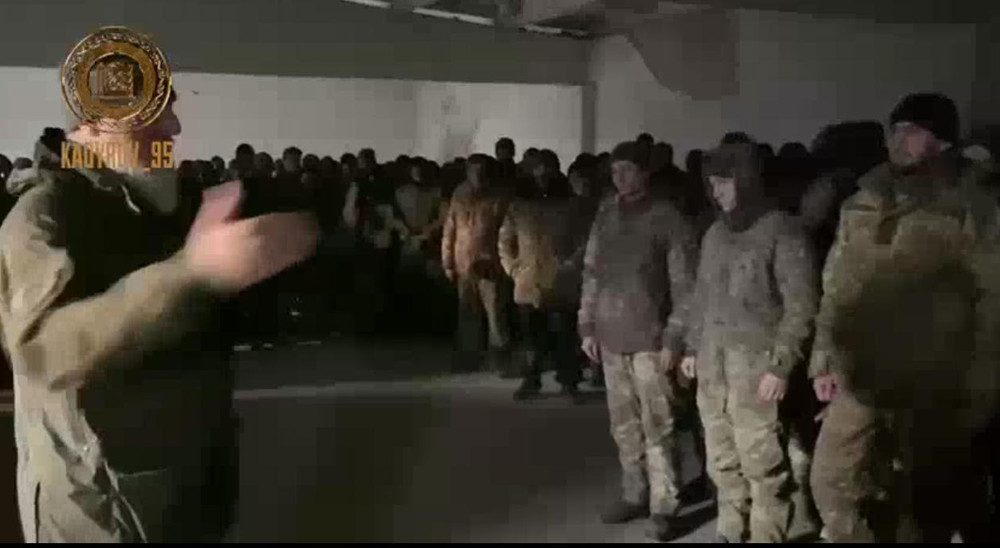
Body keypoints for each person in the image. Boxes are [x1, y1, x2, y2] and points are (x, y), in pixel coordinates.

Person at [0, 91, 319, 542]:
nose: (173, 128)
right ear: (94, 123)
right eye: (150, 115)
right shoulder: (43, 215)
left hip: (184, 486)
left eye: (169, 108)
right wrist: (191, 271)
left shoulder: (163, 202)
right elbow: (42, 351)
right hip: (99, 508)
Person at [809, 93, 1000, 543]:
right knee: (831, 478)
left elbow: (990, 300)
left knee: (925, 497)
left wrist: (978, 389)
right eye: (894, 129)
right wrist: (824, 357)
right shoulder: (864, 200)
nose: (897, 139)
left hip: (933, 377)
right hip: (864, 365)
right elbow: (837, 286)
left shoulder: (972, 205)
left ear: (943, 141)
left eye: (911, 130)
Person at [678, 143, 818, 542]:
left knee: (763, 464)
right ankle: (730, 528)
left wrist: (781, 365)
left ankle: (766, 535)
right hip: (714, 366)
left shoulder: (782, 230)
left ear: (748, 180)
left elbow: (802, 306)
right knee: (721, 458)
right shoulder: (715, 233)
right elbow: (702, 297)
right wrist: (692, 346)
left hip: (756, 370)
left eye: (725, 182)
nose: (717, 191)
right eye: (712, 183)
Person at [579, 141, 698, 541]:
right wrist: (587, 325)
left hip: (651, 340)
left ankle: (665, 505)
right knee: (624, 425)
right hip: (612, 336)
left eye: (628, 169)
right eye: (615, 171)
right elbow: (591, 273)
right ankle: (635, 492)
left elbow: (685, 286)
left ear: (646, 172)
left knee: (658, 425)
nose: (620, 178)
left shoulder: (667, 218)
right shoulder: (606, 214)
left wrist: (675, 337)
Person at [499, 152, 589, 403]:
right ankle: (531, 379)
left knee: (565, 336)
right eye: (538, 169)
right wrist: (513, 269)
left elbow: (584, 240)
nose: (542, 175)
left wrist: (571, 265)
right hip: (529, 281)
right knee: (531, 336)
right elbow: (504, 242)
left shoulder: (572, 205)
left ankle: (569, 381)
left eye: (547, 169)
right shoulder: (519, 206)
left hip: (562, 281)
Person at [442, 154, 512, 374]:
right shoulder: (460, 194)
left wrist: (504, 262)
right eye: (473, 171)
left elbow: (506, 231)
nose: (477, 175)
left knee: (496, 314)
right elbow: (450, 228)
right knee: (467, 313)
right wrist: (448, 261)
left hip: (490, 263)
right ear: (467, 172)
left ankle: (500, 360)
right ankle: (469, 358)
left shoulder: (499, 197)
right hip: (464, 263)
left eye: (481, 171)